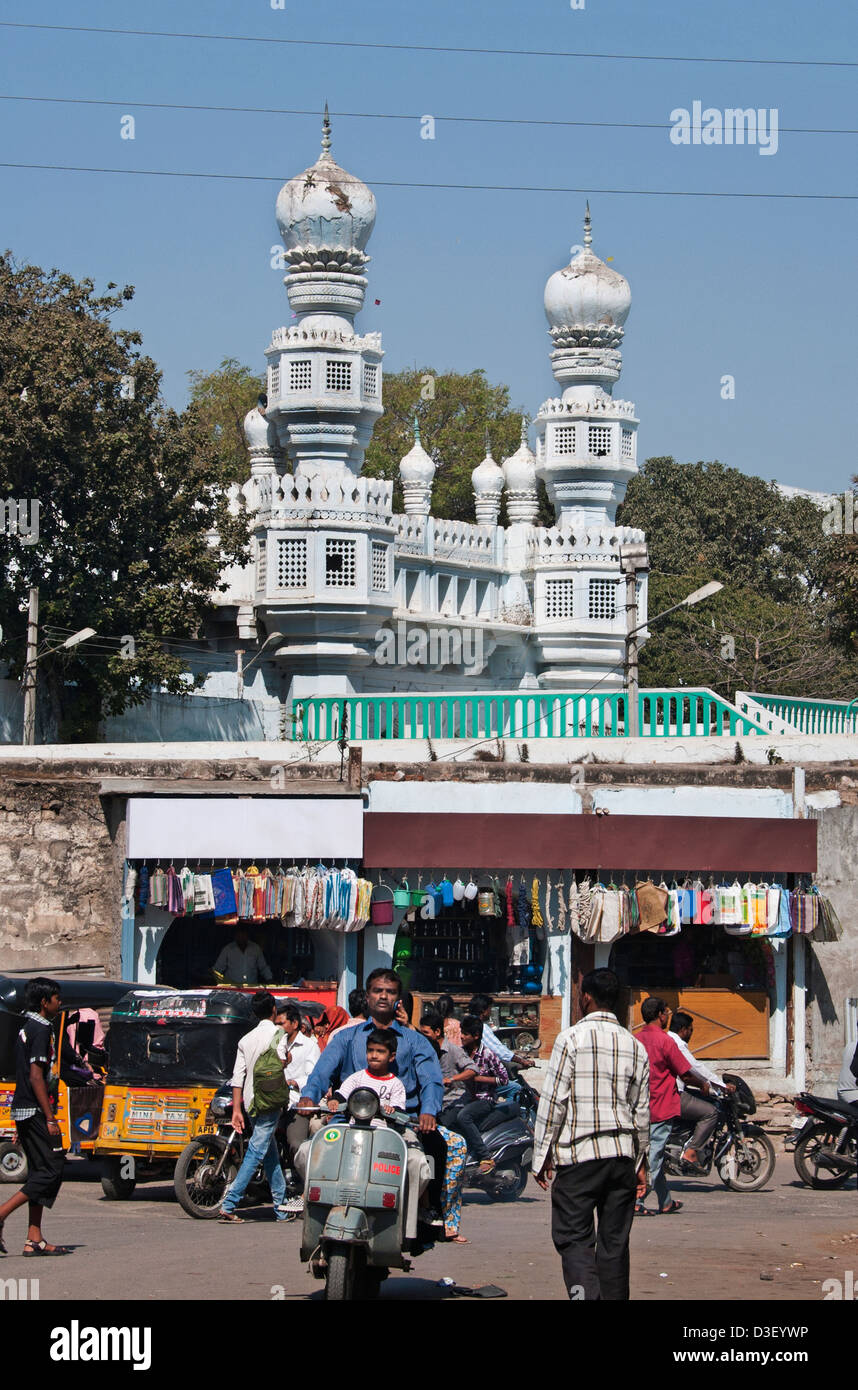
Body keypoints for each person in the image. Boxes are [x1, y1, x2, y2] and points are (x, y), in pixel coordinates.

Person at [297, 969, 446, 1238]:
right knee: (307, 1154)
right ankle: (314, 1225)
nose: (383, 996)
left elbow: (432, 1082)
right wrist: (309, 1095)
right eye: (378, 990)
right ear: (367, 997)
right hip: (346, 1122)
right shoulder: (346, 1038)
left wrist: (427, 1112)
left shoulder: (416, 1043)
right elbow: (322, 1072)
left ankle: (412, 1229)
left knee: (417, 1165)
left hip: (397, 1128)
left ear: (398, 999)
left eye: (390, 992)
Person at [532, 968, 650, 1301]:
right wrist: (641, 1162)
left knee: (574, 1238)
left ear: (585, 997)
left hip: (580, 1157)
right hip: (621, 1157)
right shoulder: (634, 1046)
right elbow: (641, 1112)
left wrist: (541, 1156)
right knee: (614, 1244)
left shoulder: (570, 1039)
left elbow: (554, 1101)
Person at [0, 977, 71, 1257]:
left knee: (41, 1169)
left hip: (24, 1110)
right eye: (56, 998)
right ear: (45, 1002)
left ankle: (34, 1238)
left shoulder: (26, 1026)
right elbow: (35, 1076)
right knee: (53, 1167)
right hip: (35, 1110)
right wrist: (49, 1118)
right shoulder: (40, 1030)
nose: (60, 1002)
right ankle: (2, 1213)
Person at [636, 997, 713, 1215]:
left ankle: (666, 1201)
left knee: (652, 1154)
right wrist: (703, 1084)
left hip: (641, 1107)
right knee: (654, 1157)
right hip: (661, 1106)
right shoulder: (666, 1041)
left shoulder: (636, 1039)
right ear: (660, 1015)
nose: (668, 1016)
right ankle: (638, 1200)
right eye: (667, 1012)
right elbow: (686, 1074)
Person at [218, 991, 290, 1224]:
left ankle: (281, 1207)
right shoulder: (279, 1033)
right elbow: (279, 1062)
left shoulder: (245, 1039)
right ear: (274, 1011)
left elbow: (237, 1077)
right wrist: (287, 1060)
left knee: (269, 1153)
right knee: (257, 1150)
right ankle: (230, 1203)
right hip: (269, 1100)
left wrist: (237, 1109)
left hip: (249, 1100)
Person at [273, 1001, 320, 1218]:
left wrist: (294, 1082)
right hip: (273, 1101)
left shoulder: (309, 1045)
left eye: (281, 1023)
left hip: (296, 1102)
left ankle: (307, 1189)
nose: (278, 1027)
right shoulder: (275, 1043)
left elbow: (313, 1076)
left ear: (294, 1023)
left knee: (296, 1143)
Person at [669, 1010, 735, 1166]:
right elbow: (694, 1068)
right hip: (673, 1093)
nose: (691, 1034)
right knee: (711, 1112)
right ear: (683, 1029)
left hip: (671, 1090)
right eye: (691, 1030)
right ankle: (691, 1152)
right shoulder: (677, 1044)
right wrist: (721, 1085)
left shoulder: (668, 1040)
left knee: (702, 1098)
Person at [451, 1013, 511, 1172]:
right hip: (465, 1097)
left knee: (463, 1117)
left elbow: (503, 1079)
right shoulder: (460, 1052)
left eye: (465, 1034)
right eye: (461, 1033)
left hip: (485, 1099)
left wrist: (477, 1078)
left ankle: (485, 1156)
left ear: (476, 1036)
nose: (461, 1037)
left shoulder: (488, 1054)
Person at [329, 1028, 407, 1115]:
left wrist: (392, 1110)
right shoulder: (357, 1078)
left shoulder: (395, 1084)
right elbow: (342, 1095)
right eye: (370, 1050)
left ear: (392, 1056)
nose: (374, 1055)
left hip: (382, 1127)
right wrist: (335, 1101)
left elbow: (398, 1111)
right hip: (355, 1126)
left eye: (380, 1051)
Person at [468, 993, 535, 1070]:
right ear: (483, 1011)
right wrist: (522, 1061)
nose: (490, 1012)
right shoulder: (482, 1027)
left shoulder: (466, 1024)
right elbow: (499, 1050)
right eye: (490, 1009)